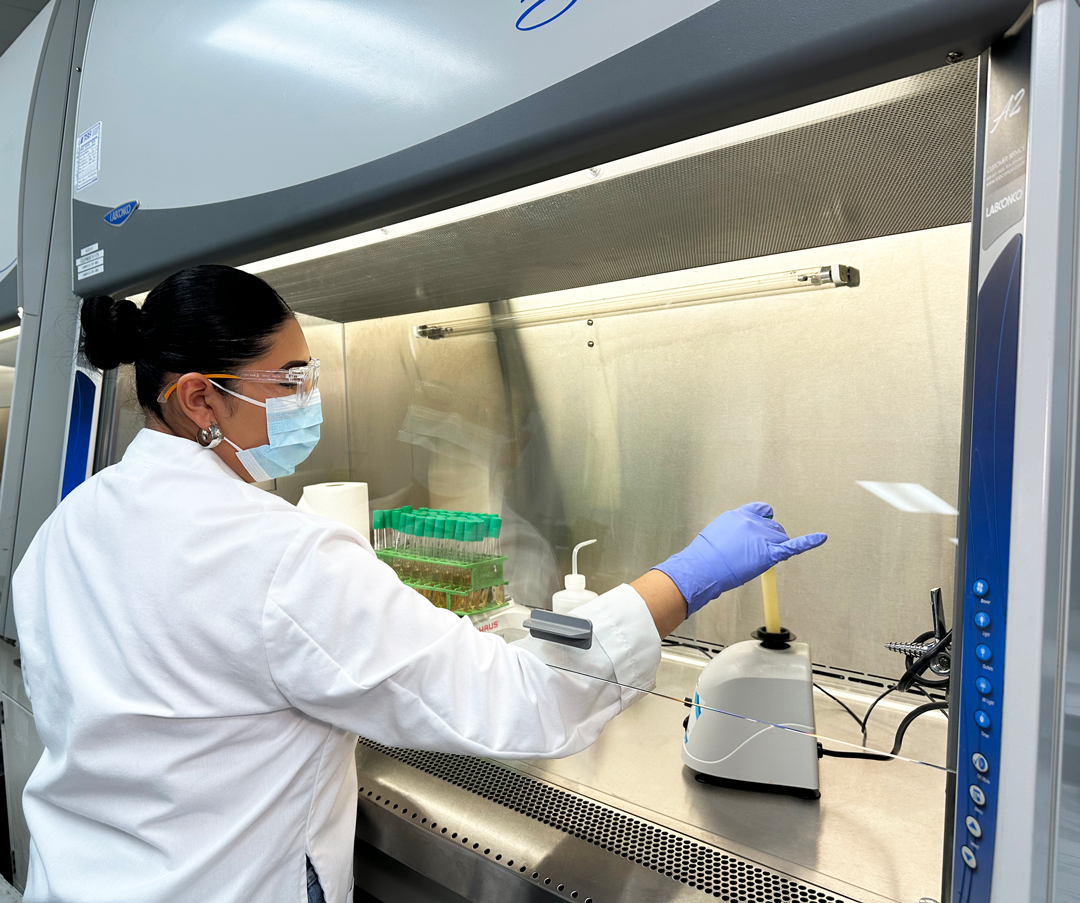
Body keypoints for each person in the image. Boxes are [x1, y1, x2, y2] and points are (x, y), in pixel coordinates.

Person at [12, 265, 826, 903]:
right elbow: (528, 700)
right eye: (289, 381)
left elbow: (184, 695)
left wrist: (409, 641)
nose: (310, 401)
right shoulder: (278, 555)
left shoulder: (63, 533)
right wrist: (687, 575)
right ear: (200, 399)